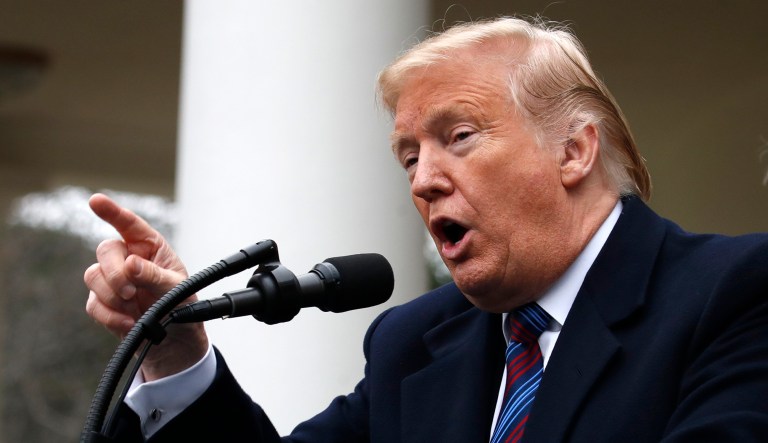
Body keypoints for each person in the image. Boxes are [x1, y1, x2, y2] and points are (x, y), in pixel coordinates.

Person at [85, 17, 768, 442]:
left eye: (459, 137)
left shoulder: (735, 293)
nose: (423, 179)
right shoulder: (412, 342)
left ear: (573, 150)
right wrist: (174, 351)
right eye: (410, 156)